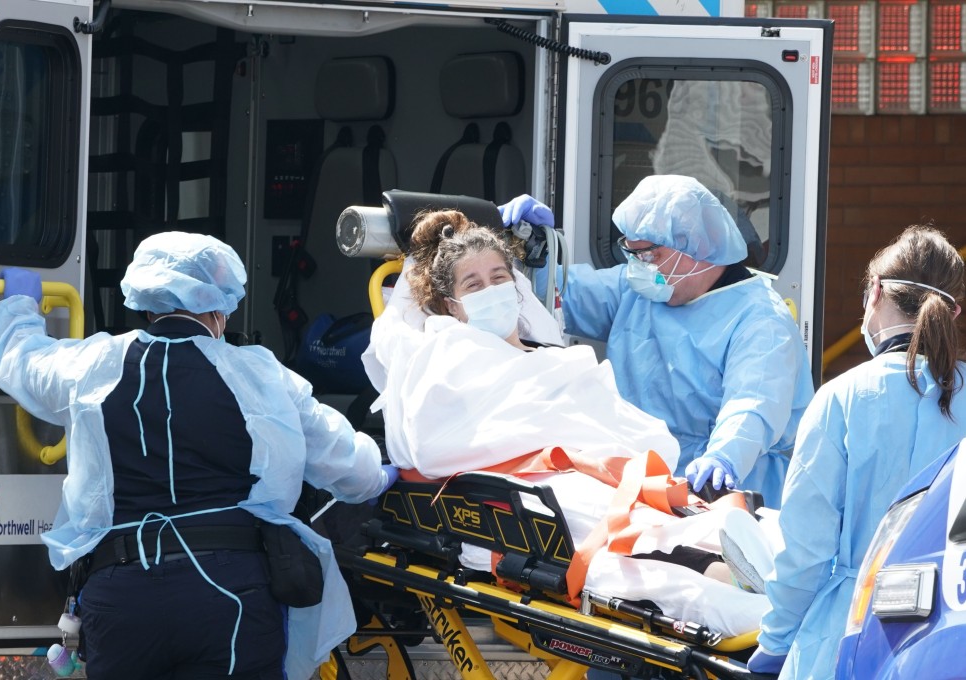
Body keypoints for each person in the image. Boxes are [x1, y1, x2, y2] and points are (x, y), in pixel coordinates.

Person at [0, 232, 398, 680]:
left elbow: (19, 362)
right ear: (219, 306)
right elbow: (347, 465)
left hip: (122, 593)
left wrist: (20, 305)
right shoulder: (260, 373)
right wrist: (382, 474)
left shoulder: (92, 363)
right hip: (230, 594)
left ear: (147, 300)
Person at [362, 209, 778, 639]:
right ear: (452, 305)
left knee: (665, 506)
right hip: (539, 478)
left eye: (499, 277)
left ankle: (739, 557)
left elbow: (614, 419)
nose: (491, 291)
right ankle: (730, 572)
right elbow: (429, 442)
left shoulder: (553, 358)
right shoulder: (450, 352)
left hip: (603, 466)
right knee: (609, 516)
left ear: (516, 288)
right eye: (473, 285)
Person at [499, 175, 815, 509]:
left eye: (649, 255)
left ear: (694, 246)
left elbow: (753, 405)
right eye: (632, 253)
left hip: (721, 492)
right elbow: (557, 294)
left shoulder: (760, 321)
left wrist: (724, 458)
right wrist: (525, 248)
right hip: (637, 480)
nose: (639, 267)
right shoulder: (640, 290)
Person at [747, 224, 966, 678]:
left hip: (850, 634)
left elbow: (805, 552)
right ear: (955, 311)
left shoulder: (842, 398)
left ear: (876, 292)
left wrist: (775, 642)